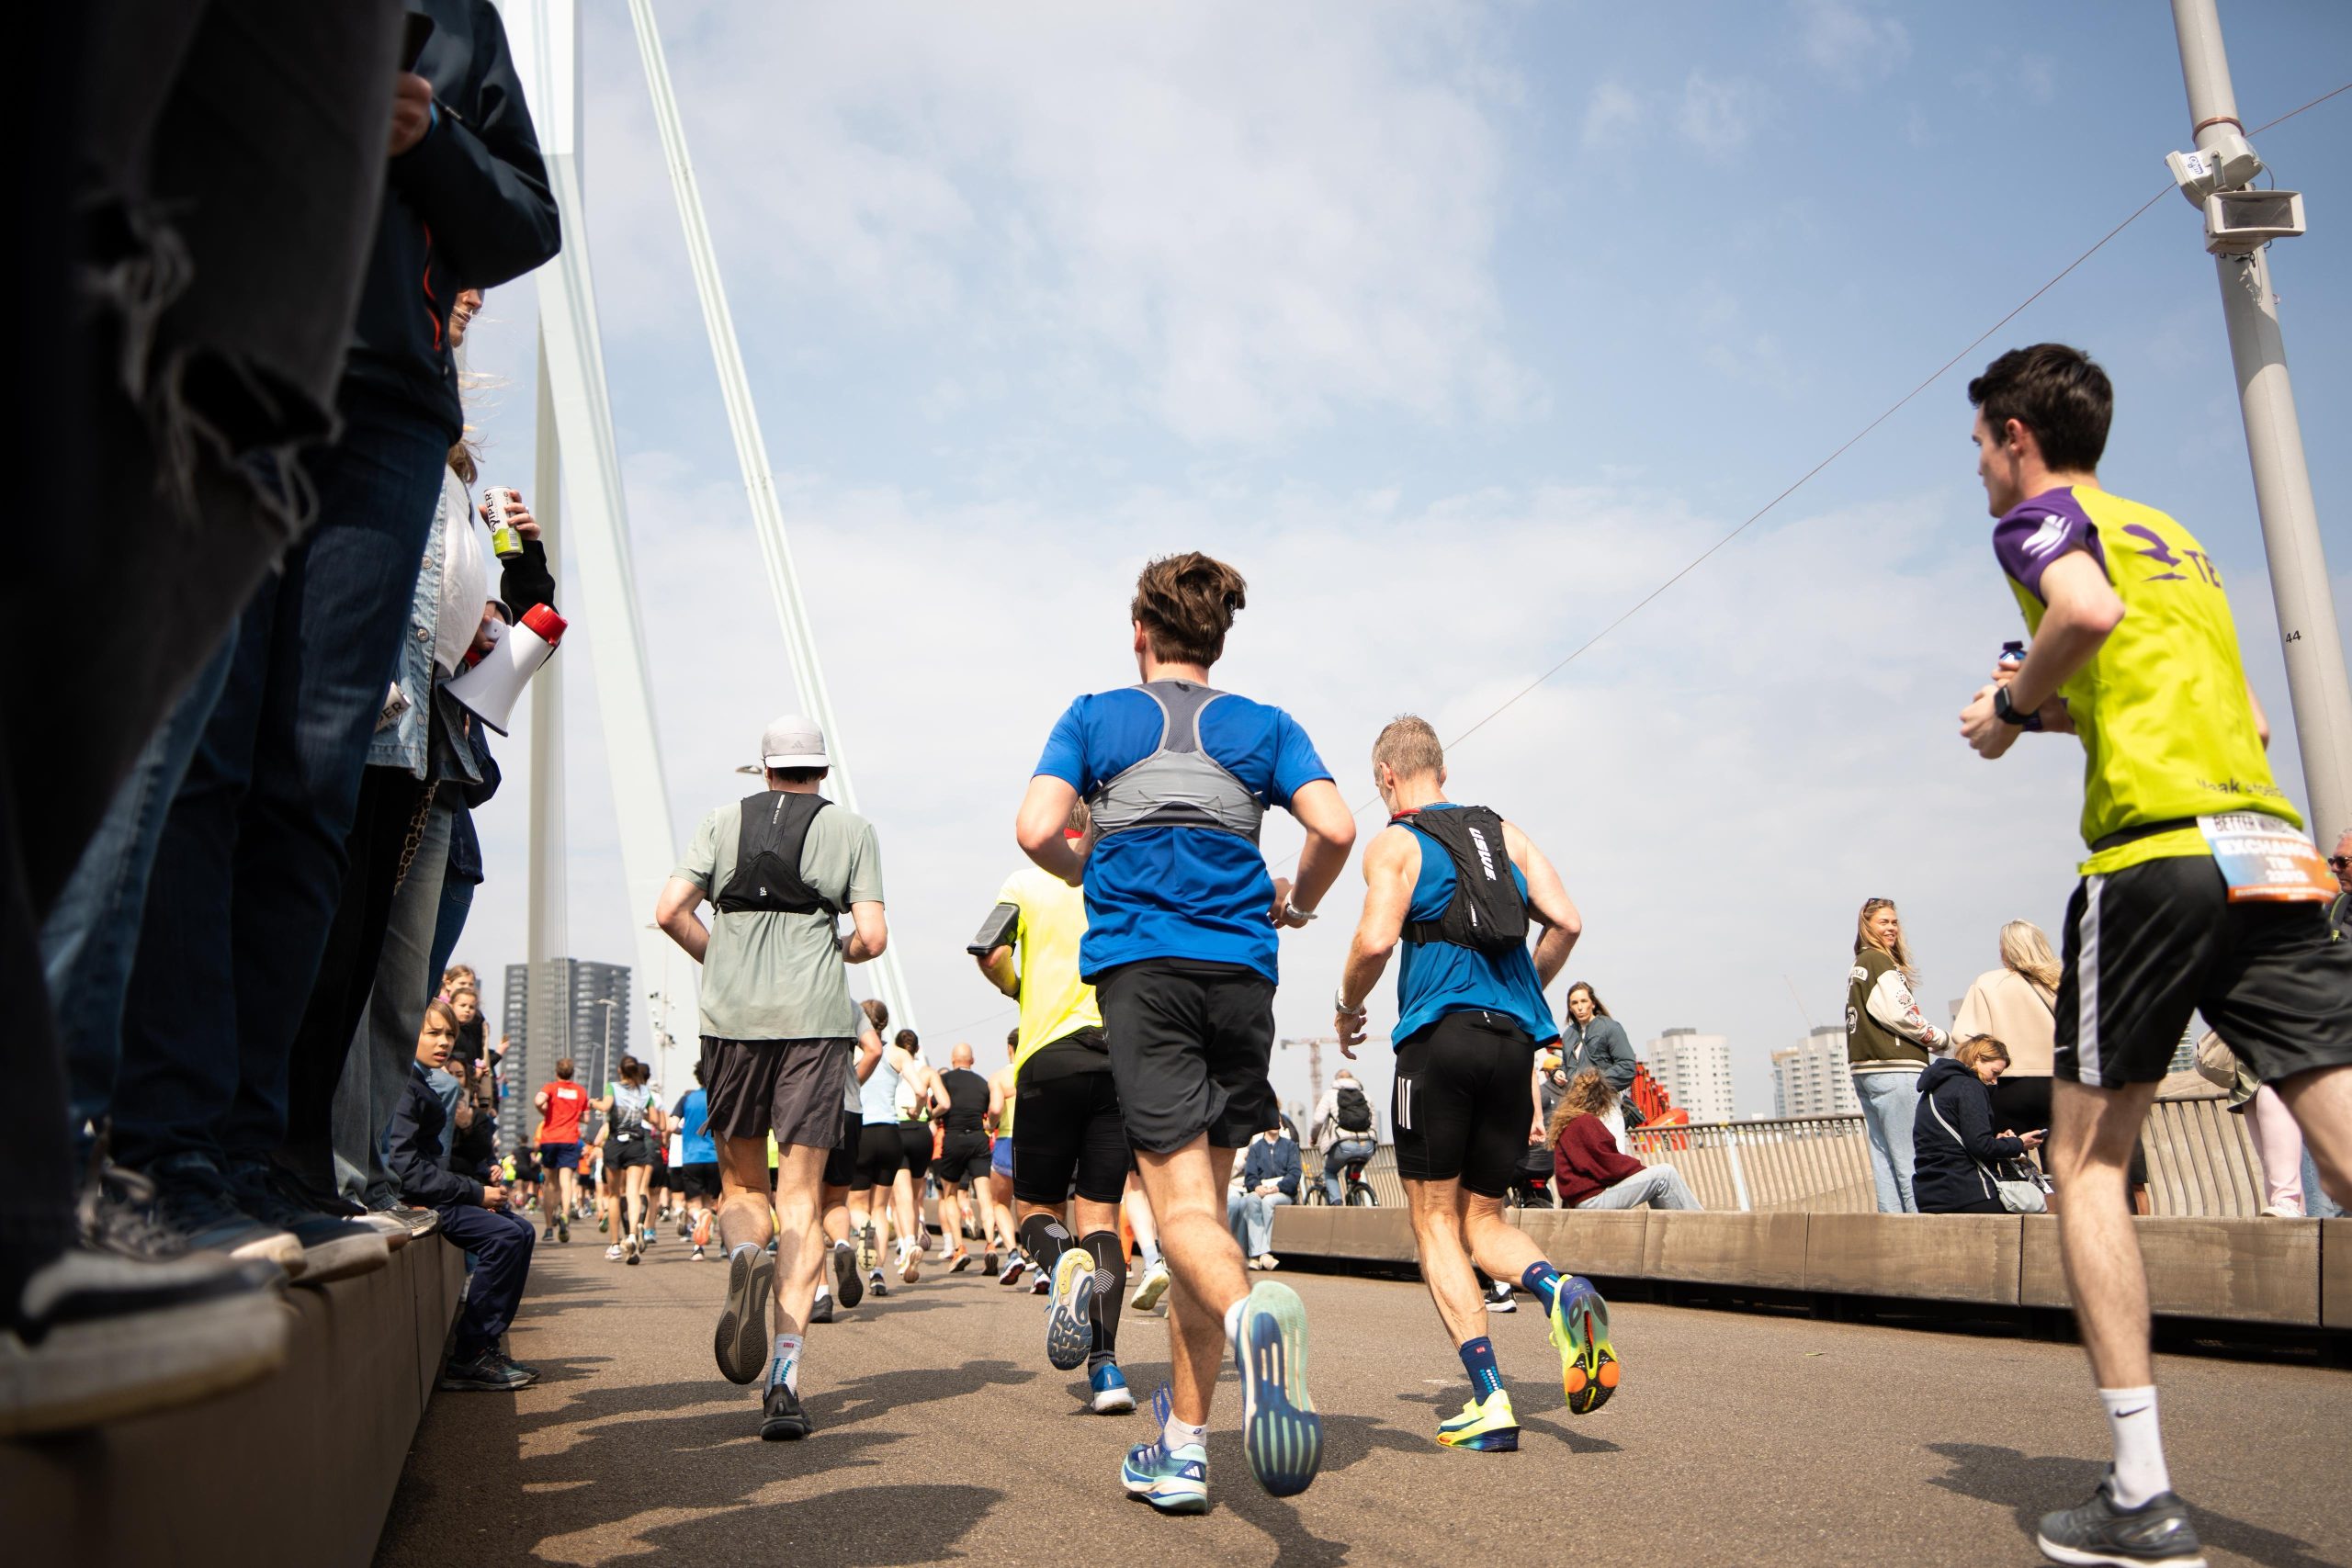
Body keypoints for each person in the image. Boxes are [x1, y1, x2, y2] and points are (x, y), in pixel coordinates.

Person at [104, 0, 557, 1289]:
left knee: (308, 787)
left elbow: (528, 214)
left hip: (382, 411)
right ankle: (160, 1146)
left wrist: (426, 143)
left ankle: (257, 1149)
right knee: (201, 753)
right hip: (217, 331)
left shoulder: (459, 19)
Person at [1954, 344, 2352, 1566]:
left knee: (2084, 1160)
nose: (1977, 465)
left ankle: (2142, 1493)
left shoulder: (2040, 517)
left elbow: (2084, 613)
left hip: (2155, 855)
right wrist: (2057, 701)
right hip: (2271, 844)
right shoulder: (2172, 533)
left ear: (2018, 431)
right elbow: (2237, 707)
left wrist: (2011, 709)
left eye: (1979, 441)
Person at [1015, 552, 1355, 1512]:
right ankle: (1184, 1449)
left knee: (1182, 1221)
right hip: (1243, 979)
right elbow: (1332, 828)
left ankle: (1251, 1319)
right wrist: (1296, 904)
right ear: (1219, 635)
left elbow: (1035, 825)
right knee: (1201, 1206)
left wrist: (1086, 866)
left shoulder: (1096, 717)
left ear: (1141, 636)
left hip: (1146, 976)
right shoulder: (1265, 725)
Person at [1334, 716, 1615, 1455]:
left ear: (1388, 778)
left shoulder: (1398, 840)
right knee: (1481, 1219)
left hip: (1439, 1044)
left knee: (1433, 1223)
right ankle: (1558, 1290)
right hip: (1514, 1042)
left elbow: (1373, 939)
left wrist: (1347, 1004)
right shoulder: (1507, 835)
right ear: (1442, 772)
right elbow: (1567, 922)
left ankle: (1491, 1398)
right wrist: (1525, 993)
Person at [657, 711, 888, 1441]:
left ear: (763, 769)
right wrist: (836, 952)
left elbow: (670, 911)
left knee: (742, 1190)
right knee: (801, 1198)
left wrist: (720, 961)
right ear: (823, 768)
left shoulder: (720, 821)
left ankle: (743, 1253)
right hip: (817, 1024)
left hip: (730, 1024)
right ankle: (784, 1378)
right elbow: (873, 935)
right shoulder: (852, 830)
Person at [974, 797, 1136, 1411]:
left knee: (1034, 1208)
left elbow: (988, 948)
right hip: (1118, 1059)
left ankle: (1060, 1261)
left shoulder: (1026, 879)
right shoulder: (1117, 873)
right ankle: (1107, 1371)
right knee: (1102, 1217)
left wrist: (1019, 988)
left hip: (1048, 1058)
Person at [387, 1001, 538, 1393]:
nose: (443, 1043)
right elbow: (404, 1167)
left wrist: (474, 1186)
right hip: (414, 1200)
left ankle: (485, 1346)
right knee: (504, 1236)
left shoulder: (419, 1081)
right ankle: (470, 1354)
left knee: (520, 1230)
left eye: (449, 1035)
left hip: (434, 1193)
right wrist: (474, 1191)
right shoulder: (406, 1086)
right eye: (432, 1033)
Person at [1846, 897, 1949, 1213]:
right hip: (1896, 1066)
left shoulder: (1860, 964)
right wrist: (1939, 1038)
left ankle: (1892, 1223)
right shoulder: (1879, 961)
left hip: (1866, 1068)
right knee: (1910, 1155)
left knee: (1884, 1156)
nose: (1890, 928)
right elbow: (1901, 1013)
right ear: (1867, 925)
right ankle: (1918, 1226)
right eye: (1883, 922)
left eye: (1893, 922)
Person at [1952, 922, 2061, 1177]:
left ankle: (2023, 1215)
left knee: (2012, 1164)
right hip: (2059, 1086)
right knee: (2061, 1169)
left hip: (2008, 1086)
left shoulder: (1988, 983)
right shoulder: (2062, 982)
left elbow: (1962, 1034)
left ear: (2006, 950)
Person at [1912, 1039, 2046, 1215]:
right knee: (2038, 1214)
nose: (1995, 1081)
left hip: (1930, 1195)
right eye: (1995, 1072)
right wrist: (2019, 1143)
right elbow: (1980, 1146)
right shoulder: (1970, 1086)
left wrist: (1997, 1142)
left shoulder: (1934, 1088)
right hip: (1968, 1192)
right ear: (1978, 1059)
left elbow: (1957, 1142)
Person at [1549, 1071, 1702, 1213]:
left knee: (1656, 1179)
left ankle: (1672, 1227)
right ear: (1601, 1099)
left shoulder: (1569, 1122)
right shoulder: (1585, 1122)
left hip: (1582, 1200)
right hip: (1594, 1201)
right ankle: (1700, 1222)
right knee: (1664, 1174)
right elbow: (1609, 1163)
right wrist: (1641, 1169)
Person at [850, 1026, 930, 1298]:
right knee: (880, 1208)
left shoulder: (850, 1053)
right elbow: (921, 1090)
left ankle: (863, 1230)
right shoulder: (897, 1053)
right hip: (890, 1133)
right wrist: (917, 1112)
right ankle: (878, 1275)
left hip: (860, 1133)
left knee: (856, 1206)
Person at [933, 1043, 999, 1273]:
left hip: (954, 1139)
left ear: (952, 1060)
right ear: (973, 1060)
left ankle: (960, 1248)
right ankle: (990, 1244)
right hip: (979, 1140)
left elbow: (937, 1106)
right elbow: (992, 1112)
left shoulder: (945, 1080)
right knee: (984, 1196)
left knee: (950, 1195)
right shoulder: (983, 1083)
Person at [591, 1057, 663, 1265]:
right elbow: (656, 1120)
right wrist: (643, 1114)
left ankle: (614, 1245)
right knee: (633, 1192)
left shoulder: (612, 1087)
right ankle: (632, 1234)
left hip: (615, 1143)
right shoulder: (644, 1092)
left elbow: (606, 1106)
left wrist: (592, 1102)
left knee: (614, 1195)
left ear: (619, 1070)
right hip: (636, 1143)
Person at [1562, 983, 1636, 1138]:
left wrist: (1594, 1084)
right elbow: (1568, 1067)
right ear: (1570, 1008)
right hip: (1577, 1108)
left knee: (1610, 1157)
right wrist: (1559, 1073)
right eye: (1574, 1003)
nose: (1580, 1007)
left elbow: (1627, 1066)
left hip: (1605, 1105)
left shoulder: (1610, 1028)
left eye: (1584, 1001)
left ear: (1593, 1003)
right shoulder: (1568, 1035)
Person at [1225, 1125, 1299, 1269]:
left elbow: (1294, 1174)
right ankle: (1261, 1254)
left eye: (1279, 1121)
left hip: (1283, 1191)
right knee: (1251, 1200)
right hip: (1263, 1189)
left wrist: (1279, 1187)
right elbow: (1251, 1176)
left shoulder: (1289, 1146)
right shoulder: (1256, 1148)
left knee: (1267, 1202)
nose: (1277, 1124)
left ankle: (1259, 1254)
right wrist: (1257, 1187)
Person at [534, 1061, 589, 1243]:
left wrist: (546, 1111)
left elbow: (538, 1100)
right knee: (566, 1182)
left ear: (557, 1072)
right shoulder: (580, 1091)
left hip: (550, 1139)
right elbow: (586, 1118)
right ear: (572, 1073)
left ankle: (549, 1227)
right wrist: (573, 1115)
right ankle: (565, 1213)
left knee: (550, 1183)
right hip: (570, 1139)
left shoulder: (551, 1087)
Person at [1306, 1067, 1379, 1205]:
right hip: (1367, 1146)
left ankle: (1337, 1204)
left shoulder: (1330, 1094)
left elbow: (1318, 1120)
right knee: (1353, 1174)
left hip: (1343, 1145)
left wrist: (1314, 1138)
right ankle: (1355, 1196)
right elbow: (1374, 1123)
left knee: (1330, 1171)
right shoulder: (1365, 1095)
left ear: (1336, 1080)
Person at [673, 1067, 720, 1260]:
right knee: (709, 1203)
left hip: (691, 1157)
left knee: (694, 1204)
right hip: (714, 1157)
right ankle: (702, 1242)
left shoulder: (687, 1099)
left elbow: (671, 1125)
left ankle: (697, 1246)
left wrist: (682, 1131)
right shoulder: (717, 1097)